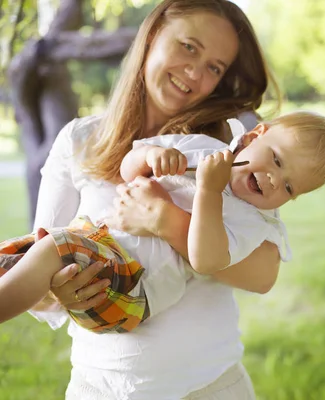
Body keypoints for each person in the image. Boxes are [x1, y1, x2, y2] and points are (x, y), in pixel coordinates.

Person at [24, 0, 291, 398]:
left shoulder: (229, 149)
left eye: (215, 67)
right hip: (100, 385)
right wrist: (59, 288)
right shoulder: (79, 141)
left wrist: (167, 221)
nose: (196, 73)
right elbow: (39, 257)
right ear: (152, 36)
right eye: (189, 47)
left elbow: (263, 273)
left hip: (208, 385)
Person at [0, 111, 325, 335]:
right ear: (255, 136)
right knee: (12, 256)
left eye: (289, 187)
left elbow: (207, 259)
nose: (273, 180)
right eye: (276, 160)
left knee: (51, 249)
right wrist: (150, 157)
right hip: (94, 245)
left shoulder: (253, 223)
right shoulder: (202, 147)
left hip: (133, 287)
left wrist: (209, 191)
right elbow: (128, 169)